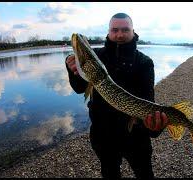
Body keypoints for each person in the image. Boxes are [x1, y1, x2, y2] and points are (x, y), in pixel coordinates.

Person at [65, 13, 168, 178]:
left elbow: (148, 102)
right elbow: (79, 88)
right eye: (115, 30)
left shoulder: (144, 62)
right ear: (108, 31)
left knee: (145, 173)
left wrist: (154, 128)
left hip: (136, 137)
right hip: (103, 135)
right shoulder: (96, 56)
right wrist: (72, 70)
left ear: (133, 31)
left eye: (125, 29)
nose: (120, 34)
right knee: (110, 173)